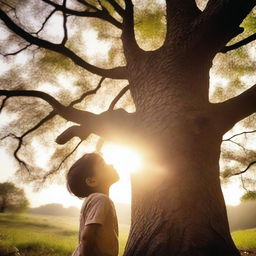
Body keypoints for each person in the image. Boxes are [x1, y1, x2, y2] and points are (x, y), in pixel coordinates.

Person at [66, 152, 120, 256]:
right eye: (103, 165)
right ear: (92, 181)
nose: (111, 165)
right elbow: (87, 236)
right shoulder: (101, 199)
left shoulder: (94, 199)